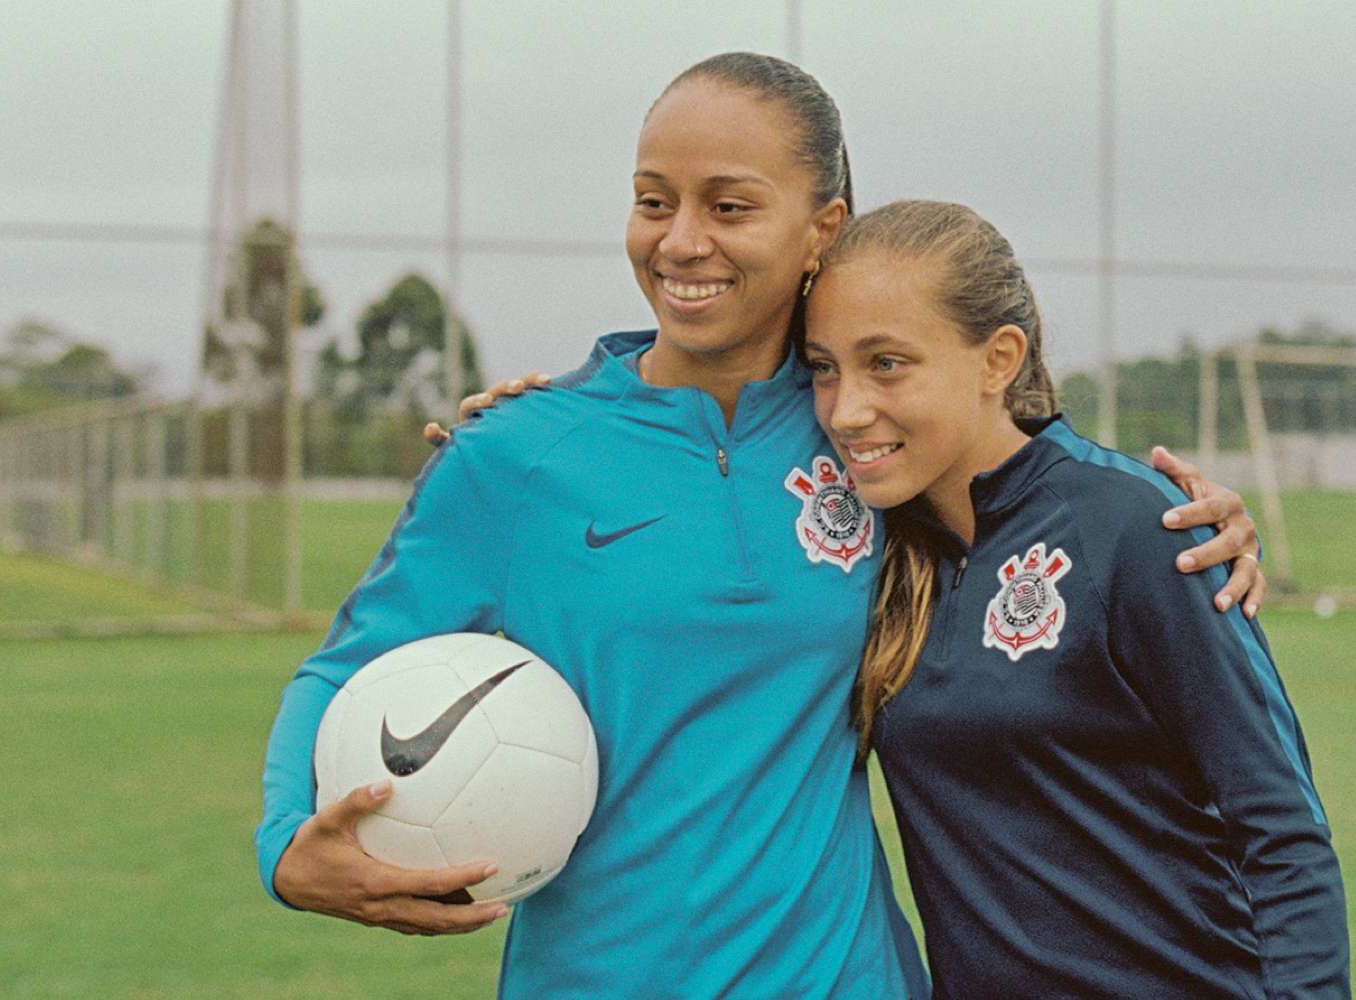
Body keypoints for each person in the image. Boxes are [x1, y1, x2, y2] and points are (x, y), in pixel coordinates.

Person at [259, 53, 1263, 997]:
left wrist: (1196, 523)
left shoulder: (872, 439)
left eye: (728, 206)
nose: (679, 239)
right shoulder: (513, 456)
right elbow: (343, 670)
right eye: (653, 201)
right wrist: (285, 846)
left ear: (822, 228)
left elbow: (1049, 503)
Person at [801, 199, 1348, 997]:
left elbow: (1282, 828)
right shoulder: (870, 553)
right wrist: (551, 412)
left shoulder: (1139, 527)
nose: (845, 408)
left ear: (998, 360)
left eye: (887, 363)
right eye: (823, 367)